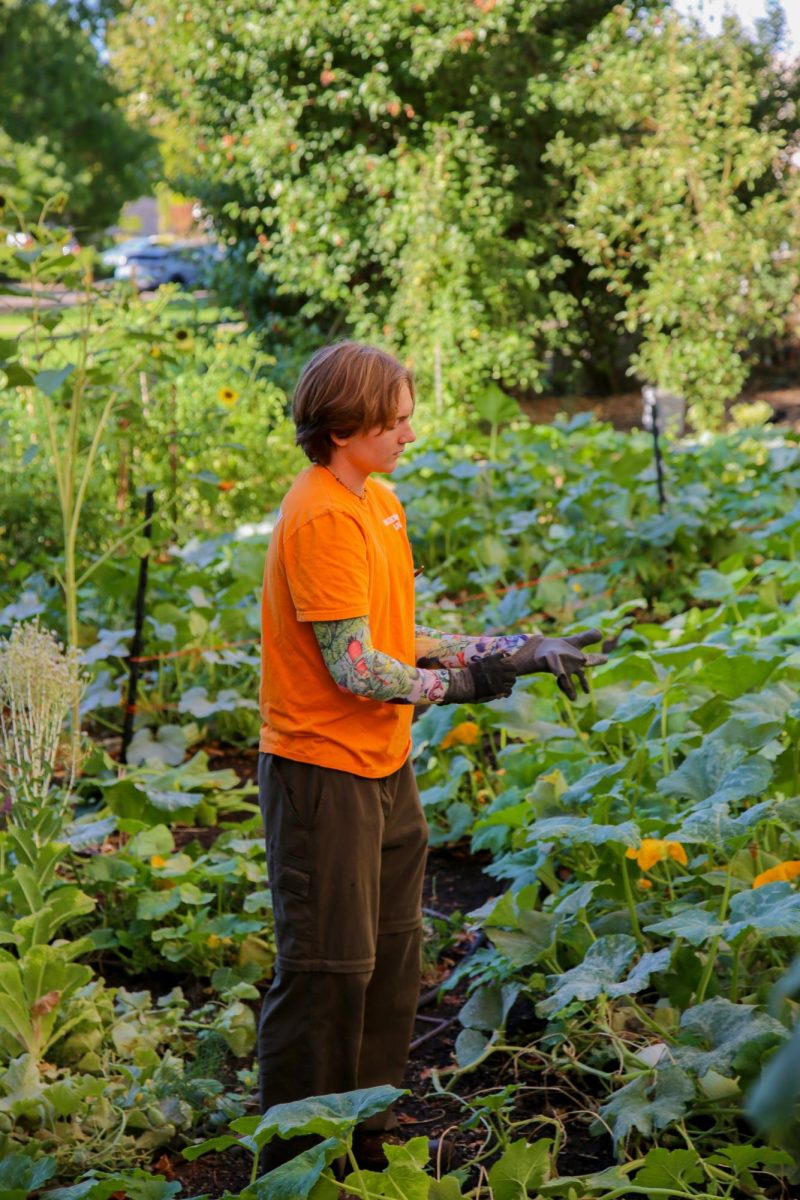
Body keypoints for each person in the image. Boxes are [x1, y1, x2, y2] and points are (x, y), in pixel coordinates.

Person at [256, 340, 604, 1172]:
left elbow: (392, 636)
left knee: (392, 951)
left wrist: (511, 648)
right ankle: (299, 1154)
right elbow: (356, 668)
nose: (410, 432)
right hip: (321, 768)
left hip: (382, 763)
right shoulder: (322, 517)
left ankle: (367, 1126)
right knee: (327, 968)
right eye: (398, 419)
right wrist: (474, 684)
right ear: (347, 426)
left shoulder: (376, 500)